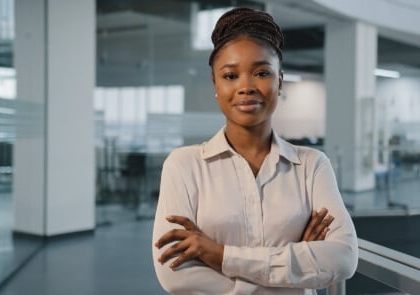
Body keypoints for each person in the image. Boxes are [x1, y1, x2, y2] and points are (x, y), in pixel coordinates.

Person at [152, 7, 358, 294]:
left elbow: (343, 259)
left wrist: (221, 256)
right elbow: (174, 274)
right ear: (215, 84)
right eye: (230, 75)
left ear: (280, 81)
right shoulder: (184, 165)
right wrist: (294, 273)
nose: (246, 87)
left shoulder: (312, 165)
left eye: (262, 72)